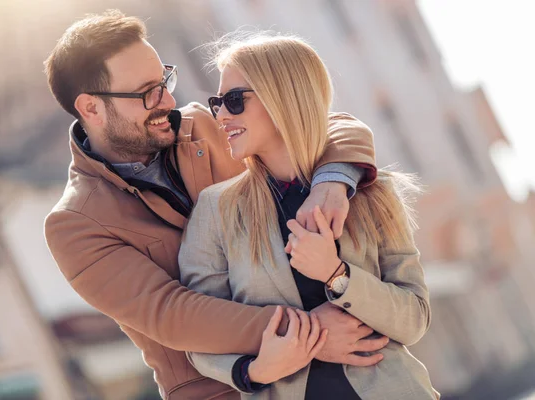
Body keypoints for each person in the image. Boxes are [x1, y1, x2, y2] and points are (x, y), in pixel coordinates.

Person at [43, 10, 388, 400]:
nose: (168, 100)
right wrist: (310, 332)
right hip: (221, 389)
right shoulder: (74, 225)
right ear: (90, 108)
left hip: (340, 367)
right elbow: (171, 312)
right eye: (147, 93)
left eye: (165, 81)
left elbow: (322, 124)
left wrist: (332, 181)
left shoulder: (206, 124)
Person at [179, 33, 440, 399]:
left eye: (234, 100)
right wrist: (254, 370)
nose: (220, 115)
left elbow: (414, 319)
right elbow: (200, 332)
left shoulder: (370, 192)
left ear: (282, 97)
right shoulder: (215, 210)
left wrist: (337, 276)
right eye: (217, 103)